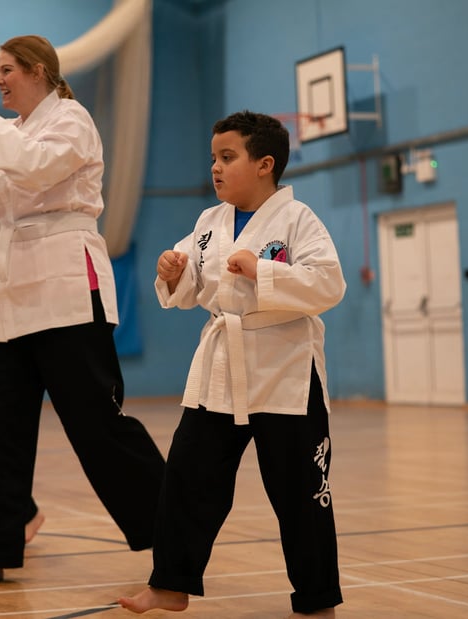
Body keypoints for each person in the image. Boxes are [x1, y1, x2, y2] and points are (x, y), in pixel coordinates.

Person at [0, 35, 166, 585]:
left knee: (95, 425)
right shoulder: (5, 131)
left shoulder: (73, 120)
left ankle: (174, 528)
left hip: (65, 286)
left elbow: (36, 170)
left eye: (8, 70)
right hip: (9, 292)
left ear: (39, 71)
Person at [118, 111, 346, 617]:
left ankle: (317, 602)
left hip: (286, 370)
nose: (216, 168)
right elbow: (190, 286)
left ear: (265, 164)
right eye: (213, 158)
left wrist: (263, 270)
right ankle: (171, 584)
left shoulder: (298, 219)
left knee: (301, 494)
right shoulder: (209, 223)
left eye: (228, 157)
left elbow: (329, 284)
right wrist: (172, 272)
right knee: (187, 477)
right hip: (222, 369)